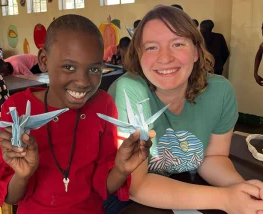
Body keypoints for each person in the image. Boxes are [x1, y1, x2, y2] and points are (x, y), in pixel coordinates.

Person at [0, 14, 152, 214]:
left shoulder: (103, 105)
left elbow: (103, 189)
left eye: (94, 69)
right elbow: (11, 197)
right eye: (69, 67)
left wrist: (121, 169)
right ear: (44, 60)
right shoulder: (17, 107)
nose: (83, 81)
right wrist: (23, 174)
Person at [107, 5, 263, 214]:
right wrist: (226, 199)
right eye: (151, 47)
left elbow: (213, 158)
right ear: (138, 55)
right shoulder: (129, 91)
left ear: (196, 51)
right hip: (130, 202)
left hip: (185, 185)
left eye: (177, 44)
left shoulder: (220, 91)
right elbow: (136, 186)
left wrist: (244, 191)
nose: (165, 58)